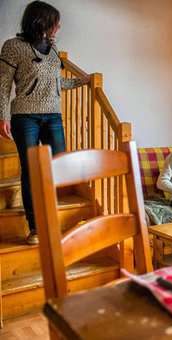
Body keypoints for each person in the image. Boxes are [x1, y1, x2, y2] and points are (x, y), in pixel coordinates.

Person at [0, 1, 90, 245]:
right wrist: (3, 116)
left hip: (53, 116)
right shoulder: (13, 47)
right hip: (24, 117)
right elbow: (4, 84)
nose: (58, 27)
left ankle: (52, 219)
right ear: (41, 21)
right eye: (55, 22)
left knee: (58, 168)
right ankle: (36, 228)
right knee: (31, 171)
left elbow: (55, 83)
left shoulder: (52, 48)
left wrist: (84, 81)